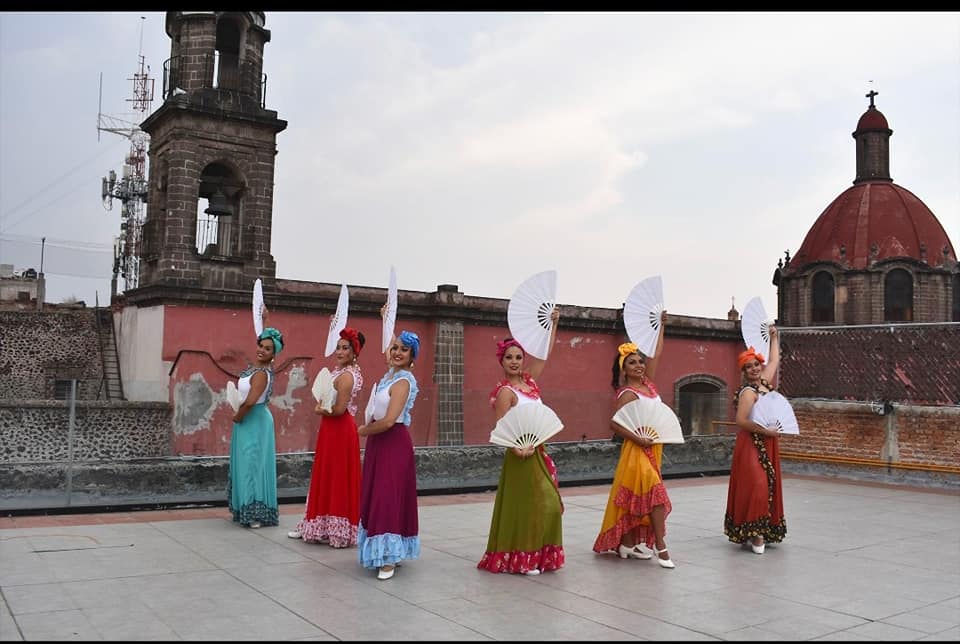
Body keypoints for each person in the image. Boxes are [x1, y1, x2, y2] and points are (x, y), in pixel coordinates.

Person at [477, 308, 565, 576]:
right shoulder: (505, 392)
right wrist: (517, 448)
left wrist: (554, 325)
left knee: (547, 504)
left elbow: (545, 355)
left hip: (537, 450)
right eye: (509, 358)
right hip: (519, 454)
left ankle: (538, 555)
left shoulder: (530, 384)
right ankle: (523, 560)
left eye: (518, 357)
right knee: (529, 507)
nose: (514, 361)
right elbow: (502, 428)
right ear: (501, 362)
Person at [592, 311, 675, 569]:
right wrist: (638, 438)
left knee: (639, 498)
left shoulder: (649, 387)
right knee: (656, 497)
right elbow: (614, 424)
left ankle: (627, 543)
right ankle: (662, 547)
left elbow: (657, 354)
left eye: (640, 361)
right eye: (632, 363)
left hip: (654, 448)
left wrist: (661, 327)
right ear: (624, 370)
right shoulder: (626, 393)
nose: (639, 365)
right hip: (636, 450)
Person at [287, 326, 365, 547]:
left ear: (354, 353)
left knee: (338, 477)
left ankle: (338, 530)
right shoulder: (339, 372)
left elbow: (339, 409)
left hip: (340, 429)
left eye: (345, 348)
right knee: (325, 475)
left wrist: (320, 409)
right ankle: (317, 525)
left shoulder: (348, 376)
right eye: (338, 348)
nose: (340, 352)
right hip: (331, 429)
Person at [355, 327, 421, 580]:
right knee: (376, 494)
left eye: (404, 350)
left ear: (412, 355)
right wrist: (386, 319)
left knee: (388, 497)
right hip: (378, 444)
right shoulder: (389, 377)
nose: (397, 352)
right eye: (395, 348)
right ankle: (385, 550)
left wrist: (363, 430)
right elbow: (387, 345)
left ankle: (389, 559)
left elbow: (390, 420)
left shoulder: (403, 382)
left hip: (393, 442)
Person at [724, 326, 785, 555]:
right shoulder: (748, 392)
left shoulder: (766, 384)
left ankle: (758, 529)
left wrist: (774, 337)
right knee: (757, 485)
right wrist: (766, 432)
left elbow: (775, 360)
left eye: (756, 365)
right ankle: (755, 533)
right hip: (751, 442)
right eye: (748, 367)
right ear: (743, 371)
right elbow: (741, 420)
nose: (753, 369)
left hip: (768, 441)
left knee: (767, 484)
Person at [228, 306, 282, 529]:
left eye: (267, 348)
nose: (262, 350)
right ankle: (245, 507)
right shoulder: (255, 368)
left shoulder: (261, 373)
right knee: (245, 463)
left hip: (254, 419)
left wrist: (237, 417)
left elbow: (250, 401)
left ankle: (255, 512)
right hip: (248, 419)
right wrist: (265, 319)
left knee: (253, 464)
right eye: (261, 345)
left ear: (273, 354)